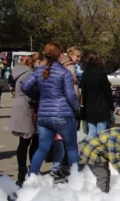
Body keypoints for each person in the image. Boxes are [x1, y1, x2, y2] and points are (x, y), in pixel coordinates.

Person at [22, 43, 80, 177]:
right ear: (60, 55)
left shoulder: (39, 71)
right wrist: (76, 107)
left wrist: (38, 97)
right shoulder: (64, 72)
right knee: (71, 148)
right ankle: (77, 179)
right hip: (63, 114)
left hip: (44, 114)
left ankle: (31, 177)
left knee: (42, 148)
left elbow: (25, 86)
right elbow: (70, 95)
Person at [9, 56, 37, 187]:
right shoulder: (29, 74)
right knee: (29, 141)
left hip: (21, 109)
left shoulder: (20, 72)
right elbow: (30, 90)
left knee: (24, 142)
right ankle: (27, 172)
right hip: (27, 109)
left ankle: (23, 171)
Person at [81, 52, 114, 140]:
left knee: (91, 131)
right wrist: (112, 106)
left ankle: (88, 150)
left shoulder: (85, 74)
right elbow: (107, 92)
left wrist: (84, 107)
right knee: (101, 131)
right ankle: (100, 151)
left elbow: (84, 93)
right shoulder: (101, 74)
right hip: (102, 106)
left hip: (89, 106)